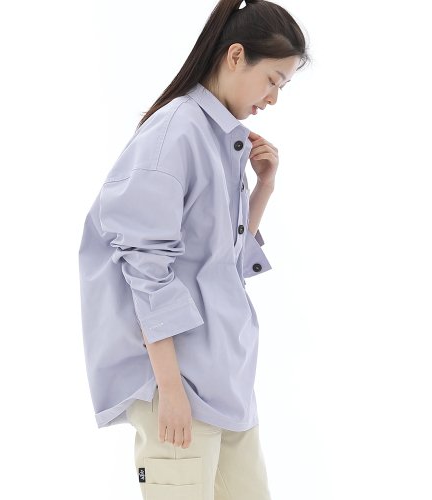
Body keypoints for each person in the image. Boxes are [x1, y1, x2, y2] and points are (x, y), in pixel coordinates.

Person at [78, 0, 311, 498]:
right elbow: (145, 270)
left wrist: (264, 187)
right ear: (235, 56)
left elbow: (222, 261)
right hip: (179, 387)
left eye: (282, 87)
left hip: (226, 383)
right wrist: (171, 391)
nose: (273, 98)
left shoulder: (220, 137)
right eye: (272, 80)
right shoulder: (175, 133)